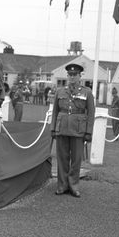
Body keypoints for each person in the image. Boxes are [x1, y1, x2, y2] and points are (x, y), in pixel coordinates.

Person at [50, 63, 95, 198]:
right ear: (67, 76)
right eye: (70, 74)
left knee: (76, 160)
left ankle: (74, 186)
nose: (72, 77)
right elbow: (55, 112)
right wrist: (53, 128)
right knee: (62, 158)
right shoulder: (60, 91)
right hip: (62, 128)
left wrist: (88, 132)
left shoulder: (87, 92)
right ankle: (62, 186)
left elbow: (91, 113)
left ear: (80, 76)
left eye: (75, 75)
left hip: (78, 130)